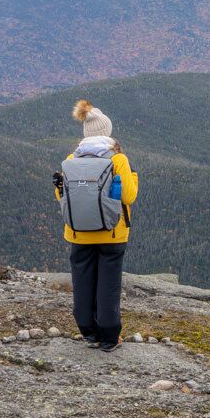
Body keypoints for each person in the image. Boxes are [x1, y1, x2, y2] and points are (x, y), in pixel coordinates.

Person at [53, 100, 139, 352]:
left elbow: (62, 197)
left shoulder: (70, 159)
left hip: (78, 234)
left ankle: (88, 332)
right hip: (112, 233)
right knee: (108, 285)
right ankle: (109, 337)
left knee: (83, 282)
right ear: (107, 133)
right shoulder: (118, 159)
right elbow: (128, 197)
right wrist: (133, 176)